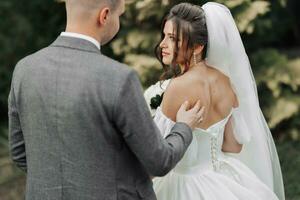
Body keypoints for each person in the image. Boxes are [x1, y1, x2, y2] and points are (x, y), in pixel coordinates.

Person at [8, 0, 205, 199]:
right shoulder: (118, 78)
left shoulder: (24, 69)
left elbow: (19, 153)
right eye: (119, 15)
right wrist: (183, 127)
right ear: (104, 16)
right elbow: (159, 161)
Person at [151, 2, 285, 200]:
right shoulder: (226, 83)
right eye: (164, 35)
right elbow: (232, 146)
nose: (163, 44)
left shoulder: (177, 87)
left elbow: (156, 156)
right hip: (221, 181)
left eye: (172, 38)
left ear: (197, 47)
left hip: (182, 185)